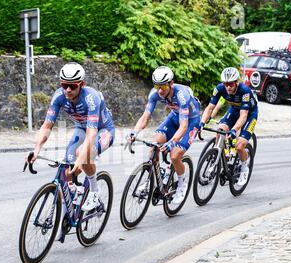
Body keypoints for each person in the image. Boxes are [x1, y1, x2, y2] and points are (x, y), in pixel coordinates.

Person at [26, 62, 115, 212]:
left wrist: (80, 160)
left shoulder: (91, 98)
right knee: (68, 166)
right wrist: (36, 150)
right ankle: (74, 197)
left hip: (103, 130)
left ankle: (94, 191)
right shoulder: (59, 96)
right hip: (81, 128)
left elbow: (92, 134)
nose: (68, 89)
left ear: (81, 84)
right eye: (64, 85)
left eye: (72, 86)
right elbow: (47, 126)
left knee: (82, 155)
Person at [128, 66, 200, 204]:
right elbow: (145, 117)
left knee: (175, 155)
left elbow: (184, 126)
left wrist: (172, 142)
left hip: (191, 121)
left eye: (163, 87)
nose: (160, 90)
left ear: (171, 83)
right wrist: (134, 132)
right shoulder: (154, 94)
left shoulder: (181, 95)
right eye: (157, 86)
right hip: (174, 117)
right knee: (155, 142)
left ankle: (181, 184)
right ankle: (151, 177)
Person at [200, 67, 258, 186]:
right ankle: (218, 154)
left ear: (236, 82)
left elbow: (243, 116)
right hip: (234, 110)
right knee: (220, 130)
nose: (228, 87)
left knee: (239, 145)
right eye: (226, 84)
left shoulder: (244, 91)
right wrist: (201, 123)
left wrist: (233, 130)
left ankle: (244, 167)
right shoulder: (219, 88)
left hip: (249, 114)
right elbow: (210, 108)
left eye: (230, 84)